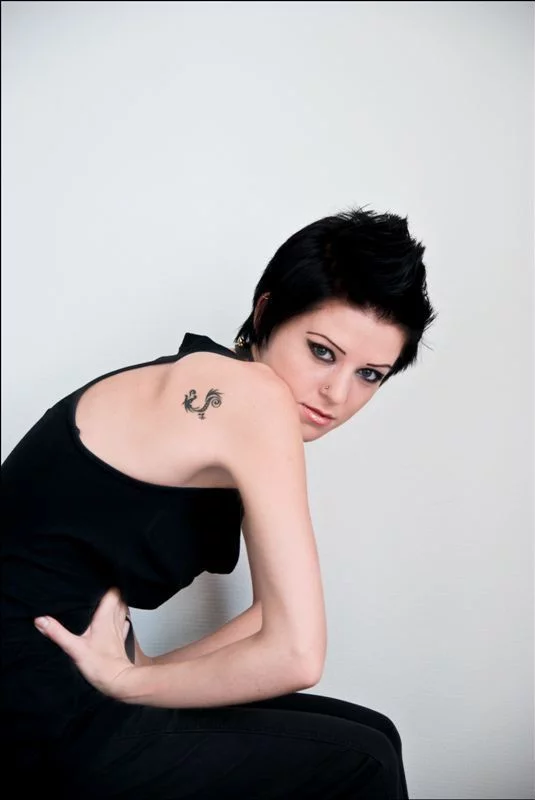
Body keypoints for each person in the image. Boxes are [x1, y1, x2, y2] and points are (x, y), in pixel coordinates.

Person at [1, 206, 436, 798]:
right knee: (366, 761)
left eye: (370, 374)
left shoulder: (226, 390)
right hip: (35, 713)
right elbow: (298, 656)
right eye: (322, 352)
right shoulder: (248, 398)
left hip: (58, 691)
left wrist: (147, 673)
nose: (337, 393)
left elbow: (271, 617)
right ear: (265, 312)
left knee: (376, 734)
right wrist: (127, 682)